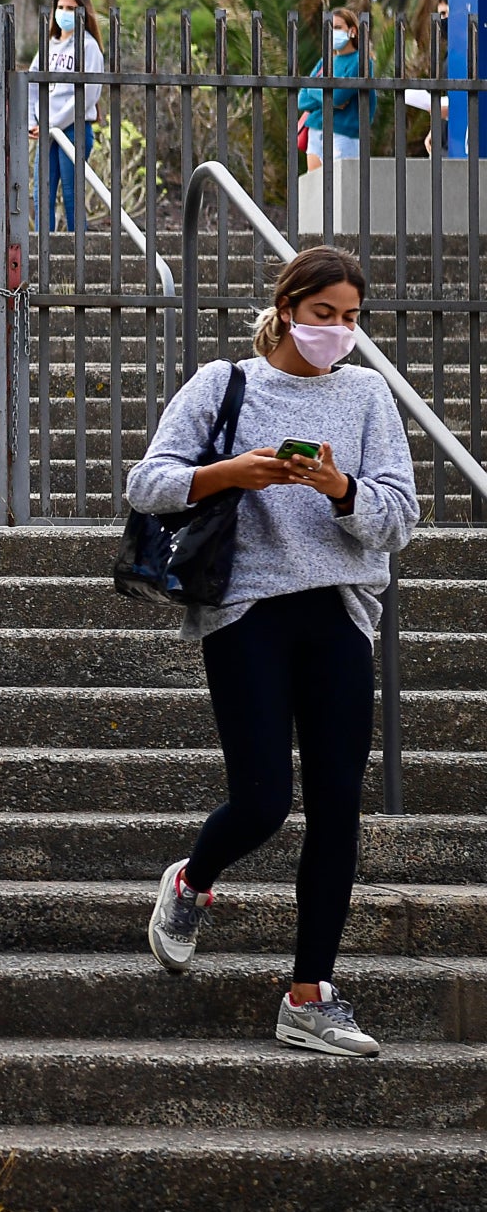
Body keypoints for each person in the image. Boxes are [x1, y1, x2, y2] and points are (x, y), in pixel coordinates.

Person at [129, 246, 416, 1058]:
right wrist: (230, 473)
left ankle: (310, 993)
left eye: (352, 317)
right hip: (246, 610)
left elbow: (401, 514)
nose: (339, 331)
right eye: (325, 313)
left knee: (335, 805)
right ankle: (190, 881)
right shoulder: (226, 383)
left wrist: (342, 490)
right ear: (288, 308)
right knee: (261, 802)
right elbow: (145, 482)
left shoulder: (366, 395)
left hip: (339, 611)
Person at [29, 0, 105, 235]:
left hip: (72, 130)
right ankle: (43, 254)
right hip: (45, 131)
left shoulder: (89, 47)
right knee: (43, 195)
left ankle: (78, 257)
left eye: (71, 8)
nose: (64, 13)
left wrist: (53, 124)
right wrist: (32, 120)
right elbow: (31, 84)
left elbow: (88, 95)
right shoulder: (47, 46)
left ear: (83, 12)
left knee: (72, 196)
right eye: (60, 8)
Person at [299, 7, 371, 171]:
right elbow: (302, 99)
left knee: (344, 190)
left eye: (338, 27)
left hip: (344, 134)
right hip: (316, 130)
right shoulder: (324, 62)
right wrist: (325, 97)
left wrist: (316, 91)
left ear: (352, 31)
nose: (333, 32)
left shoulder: (360, 61)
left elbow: (338, 97)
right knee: (316, 189)